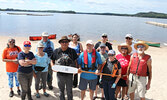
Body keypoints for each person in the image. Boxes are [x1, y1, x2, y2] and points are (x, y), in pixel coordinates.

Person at [50, 36, 78, 100]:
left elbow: (76, 61)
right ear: (60, 43)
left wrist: (75, 70)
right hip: (60, 74)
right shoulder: (56, 51)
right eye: (63, 42)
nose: (64, 43)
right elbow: (52, 60)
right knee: (61, 90)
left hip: (69, 74)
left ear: (68, 43)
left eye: (66, 42)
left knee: (69, 91)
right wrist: (52, 67)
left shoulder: (72, 51)